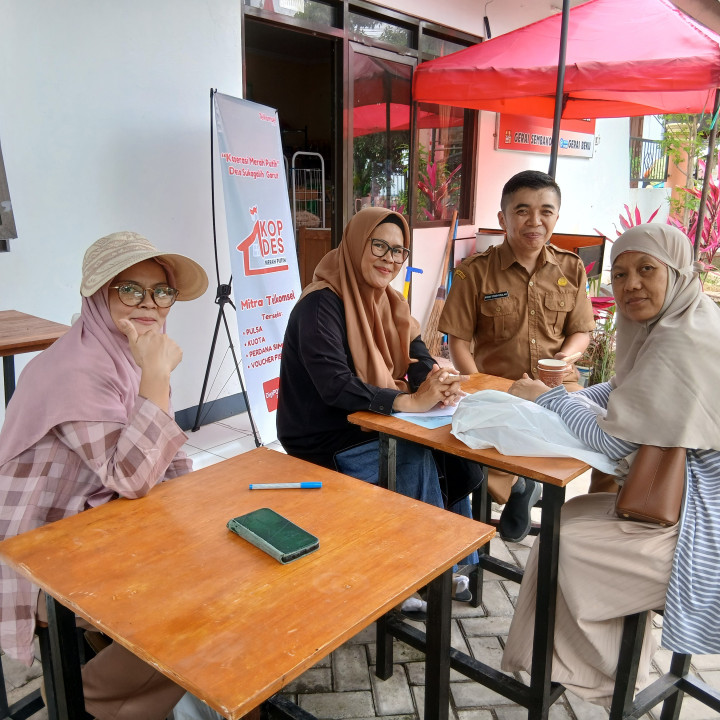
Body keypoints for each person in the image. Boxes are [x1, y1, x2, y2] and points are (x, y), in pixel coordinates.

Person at [501, 223, 720, 704]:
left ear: (677, 272)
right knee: (564, 520)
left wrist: (551, 398)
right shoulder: (680, 319)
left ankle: (605, 680)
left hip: (702, 529)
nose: (631, 284)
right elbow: (625, 392)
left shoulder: (683, 340)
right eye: (619, 274)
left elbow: (612, 440)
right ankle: (571, 665)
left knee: (564, 542)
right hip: (682, 500)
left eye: (646, 269)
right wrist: (573, 396)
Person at [0, 231, 208, 720]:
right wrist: (157, 377)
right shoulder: (77, 368)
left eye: (161, 291)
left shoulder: (124, 352)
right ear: (97, 295)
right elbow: (131, 476)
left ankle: (121, 681)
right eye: (130, 289)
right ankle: (83, 699)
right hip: (38, 549)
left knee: (218, 565)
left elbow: (160, 457)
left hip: (97, 519)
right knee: (193, 605)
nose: (149, 303)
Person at [276, 207, 479, 592]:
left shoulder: (389, 302)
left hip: (369, 420)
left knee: (450, 444)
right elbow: (335, 385)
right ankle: (422, 570)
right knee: (412, 453)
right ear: (356, 244)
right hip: (324, 435)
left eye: (398, 251)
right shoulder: (319, 306)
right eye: (379, 246)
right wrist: (408, 403)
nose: (389, 259)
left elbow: (417, 356)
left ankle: (451, 560)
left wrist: (436, 381)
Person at [439, 170, 596, 541]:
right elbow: (458, 342)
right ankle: (519, 488)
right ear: (503, 218)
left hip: (558, 389)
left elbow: (581, 331)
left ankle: (528, 489)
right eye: (522, 211)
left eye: (546, 211)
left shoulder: (570, 268)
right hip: (500, 390)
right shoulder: (474, 273)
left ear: (556, 217)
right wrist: (478, 387)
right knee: (467, 438)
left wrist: (565, 358)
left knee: (592, 433)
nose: (534, 221)